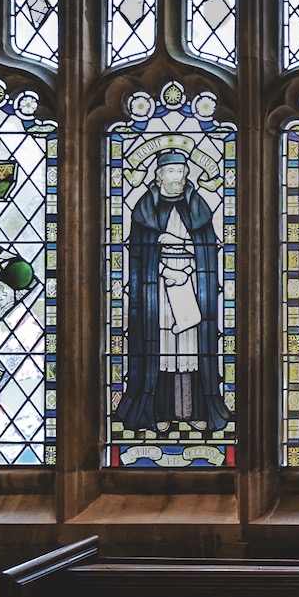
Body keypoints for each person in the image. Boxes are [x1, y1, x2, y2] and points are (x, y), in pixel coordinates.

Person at [113, 148, 230, 432]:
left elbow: (207, 251)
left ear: (186, 174)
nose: (176, 177)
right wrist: (165, 271)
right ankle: (159, 411)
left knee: (192, 348)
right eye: (171, 171)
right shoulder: (145, 207)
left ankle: (195, 410)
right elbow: (140, 255)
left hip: (190, 287)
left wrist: (188, 268)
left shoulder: (198, 205)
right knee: (161, 348)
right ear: (159, 175)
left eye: (180, 171)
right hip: (159, 292)